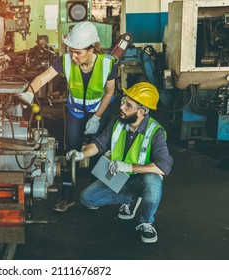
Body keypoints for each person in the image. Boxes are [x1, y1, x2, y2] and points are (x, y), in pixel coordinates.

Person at [25, 21, 117, 212]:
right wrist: (27, 93)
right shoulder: (65, 60)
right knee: (71, 150)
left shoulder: (107, 64)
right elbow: (42, 78)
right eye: (71, 50)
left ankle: (94, 193)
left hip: (99, 110)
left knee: (97, 149)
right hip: (75, 111)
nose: (73, 56)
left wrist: (97, 117)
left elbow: (109, 93)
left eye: (78, 52)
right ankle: (67, 195)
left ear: (92, 48)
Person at [66, 82, 173, 243]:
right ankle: (130, 199)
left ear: (141, 111)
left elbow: (163, 167)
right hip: (118, 176)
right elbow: (100, 144)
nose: (122, 107)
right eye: (124, 101)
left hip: (140, 179)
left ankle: (146, 222)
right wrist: (82, 154)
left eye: (128, 105)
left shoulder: (155, 132)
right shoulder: (118, 122)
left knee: (153, 183)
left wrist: (129, 166)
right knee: (87, 198)